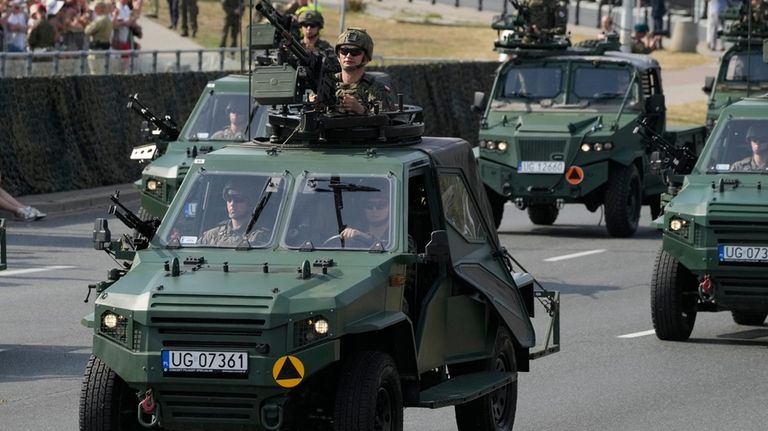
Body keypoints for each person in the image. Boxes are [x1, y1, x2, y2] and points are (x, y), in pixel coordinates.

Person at [334, 28, 393, 114]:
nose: (348, 55)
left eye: (355, 52)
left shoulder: (375, 89)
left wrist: (360, 110)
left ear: (365, 59)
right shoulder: (327, 84)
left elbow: (384, 121)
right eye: (344, 51)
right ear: (338, 56)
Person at [198, 180, 265, 246]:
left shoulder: (259, 237)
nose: (232, 204)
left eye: (238, 199)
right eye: (229, 199)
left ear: (250, 204)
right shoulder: (213, 235)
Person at [84, 0, 112, 74]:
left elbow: (87, 31)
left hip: (96, 50)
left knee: (95, 72)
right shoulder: (108, 19)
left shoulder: (100, 20)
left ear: (100, 8)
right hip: (104, 49)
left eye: (96, 8)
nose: (94, 10)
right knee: (102, 71)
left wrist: (87, 22)